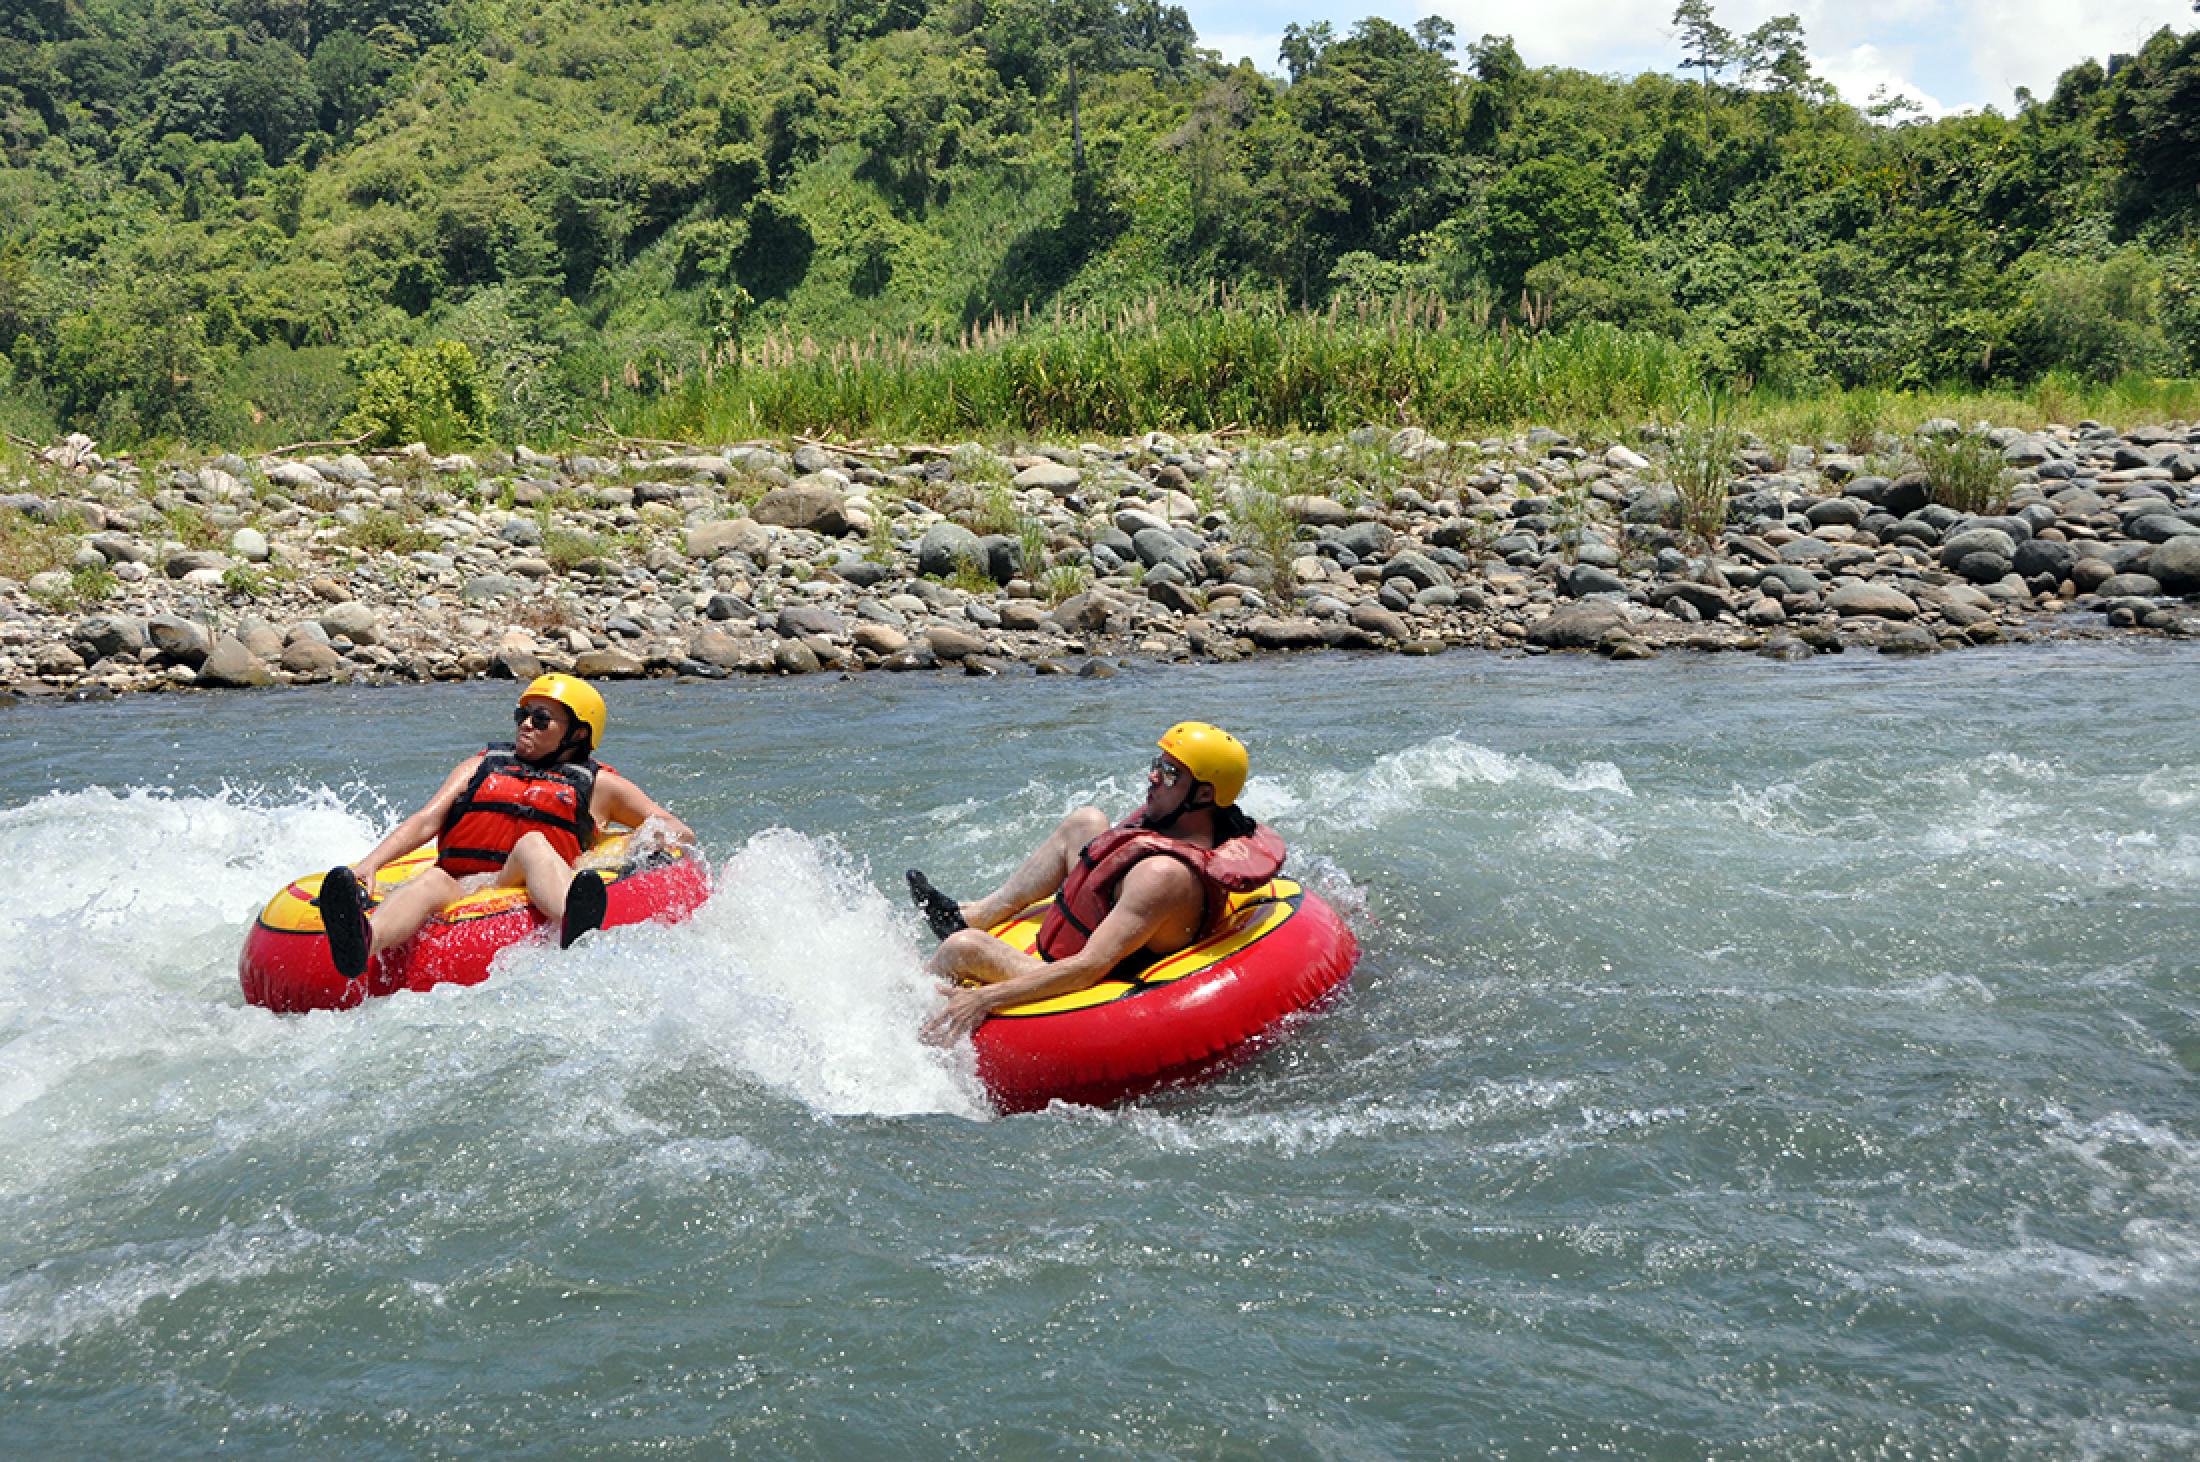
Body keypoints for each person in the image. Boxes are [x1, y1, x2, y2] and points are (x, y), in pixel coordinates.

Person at [909, 721, 1286, 1044]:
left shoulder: (1164, 875)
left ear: (1204, 794)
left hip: (1097, 973)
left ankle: (902, 1023)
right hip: (1103, 923)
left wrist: (983, 999)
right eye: (1157, 765)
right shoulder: (1184, 829)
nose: (1153, 777)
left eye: (1171, 774)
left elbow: (1088, 969)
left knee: (963, 948)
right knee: (1086, 822)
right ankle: (975, 914)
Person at [317, 674, 695, 979]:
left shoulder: (601, 786)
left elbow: (676, 828)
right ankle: (362, 942)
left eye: (541, 719)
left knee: (533, 842)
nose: (526, 725)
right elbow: (426, 820)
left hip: (521, 877)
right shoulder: (479, 766)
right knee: (430, 880)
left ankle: (573, 919)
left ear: (577, 733)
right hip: (466, 882)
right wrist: (370, 864)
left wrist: (652, 840)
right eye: (523, 715)